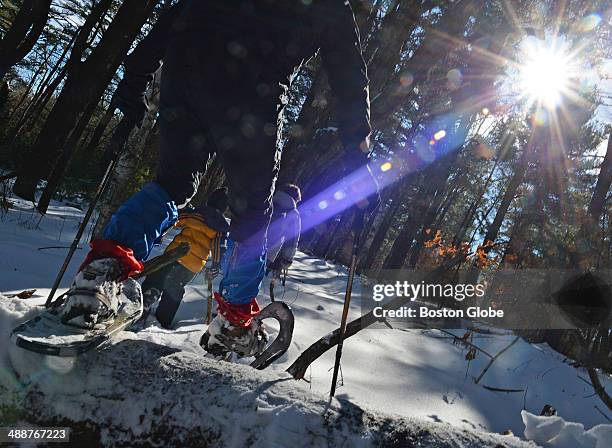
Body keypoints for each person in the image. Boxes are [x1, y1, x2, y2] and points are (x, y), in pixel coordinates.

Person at [58, 0, 374, 359]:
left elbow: (177, 12)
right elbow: (349, 75)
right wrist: (358, 158)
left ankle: (101, 275)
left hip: (188, 61)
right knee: (253, 214)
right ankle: (234, 323)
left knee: (173, 182)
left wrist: (136, 77)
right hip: (254, 84)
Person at [140, 187, 230, 329]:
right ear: (225, 207)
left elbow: (177, 219)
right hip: (191, 266)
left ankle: (146, 299)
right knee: (175, 287)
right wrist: (216, 264)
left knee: (156, 276)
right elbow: (219, 247)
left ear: (210, 200)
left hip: (174, 254)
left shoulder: (197, 213)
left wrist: (163, 229)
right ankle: (162, 320)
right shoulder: (221, 227)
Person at [266, 184, 302, 279]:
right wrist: (287, 260)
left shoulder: (268, 201)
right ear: (295, 198)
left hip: (249, 244)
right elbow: (292, 240)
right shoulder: (293, 214)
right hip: (270, 254)